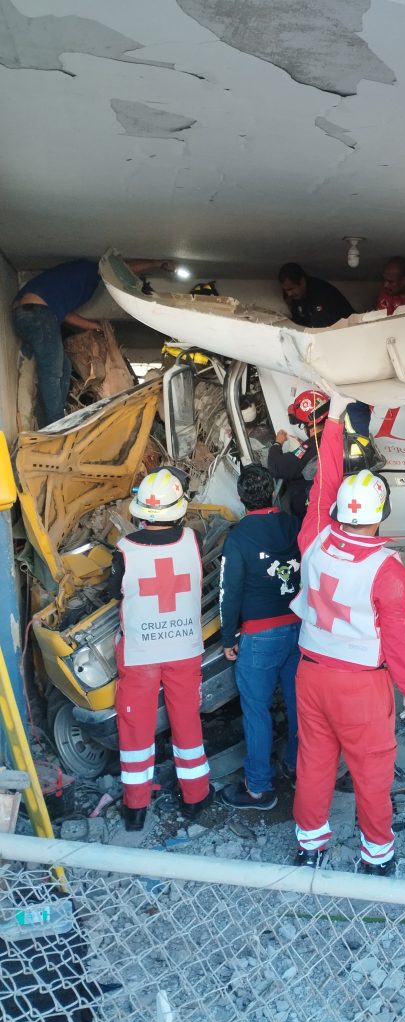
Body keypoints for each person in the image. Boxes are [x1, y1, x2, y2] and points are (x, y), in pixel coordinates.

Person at [289, 390, 405, 875]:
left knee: (315, 762)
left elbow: (324, 485)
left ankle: (310, 846)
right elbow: (400, 640)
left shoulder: (315, 539)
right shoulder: (389, 571)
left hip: (310, 675)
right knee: (371, 772)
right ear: (380, 514)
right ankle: (377, 857)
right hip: (362, 686)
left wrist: (332, 425)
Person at [108, 467, 212, 831]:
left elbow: (114, 592)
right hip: (184, 648)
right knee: (187, 721)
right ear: (178, 509)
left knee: (135, 728)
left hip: (140, 654)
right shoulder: (192, 539)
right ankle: (196, 796)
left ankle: (135, 808)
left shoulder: (123, 550)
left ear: (139, 511)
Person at [218, 464, 301, 811]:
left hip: (259, 635)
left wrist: (227, 638)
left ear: (240, 499)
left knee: (256, 710)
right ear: (273, 491)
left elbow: (229, 592)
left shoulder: (238, 537)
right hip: (300, 629)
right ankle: (299, 768)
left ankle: (258, 788)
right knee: (301, 707)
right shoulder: (294, 524)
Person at [12, 258, 173, 427]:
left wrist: (95, 327)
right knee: (52, 371)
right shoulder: (90, 270)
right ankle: (56, 425)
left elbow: (67, 315)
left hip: (29, 314)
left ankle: (48, 421)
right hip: (37, 313)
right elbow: (122, 269)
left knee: (64, 367)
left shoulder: (77, 287)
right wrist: (156, 264)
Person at [267, 389, 330, 520]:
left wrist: (277, 443)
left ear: (310, 424)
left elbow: (276, 466)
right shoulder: (336, 436)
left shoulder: (312, 447)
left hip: (309, 513)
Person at [278, 263, 355, 327]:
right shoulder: (295, 297)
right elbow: (298, 323)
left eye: (291, 289)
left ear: (302, 282)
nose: (289, 294)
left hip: (349, 329)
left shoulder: (320, 291)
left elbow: (320, 322)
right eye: (286, 290)